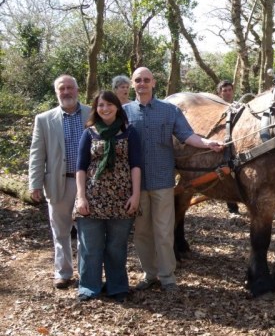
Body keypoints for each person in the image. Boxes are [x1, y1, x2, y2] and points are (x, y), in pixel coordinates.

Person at [124, 67, 224, 293]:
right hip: (136, 184)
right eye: (138, 80)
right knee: (141, 232)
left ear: (154, 83)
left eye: (146, 80)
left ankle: (167, 276)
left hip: (162, 180)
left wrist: (208, 143)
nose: (142, 84)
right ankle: (149, 274)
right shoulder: (124, 112)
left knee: (164, 230)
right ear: (132, 84)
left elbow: (187, 136)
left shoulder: (170, 111)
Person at [74, 91, 142, 303]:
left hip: (122, 199)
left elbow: (136, 166)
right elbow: (81, 167)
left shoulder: (129, 132)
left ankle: (117, 287)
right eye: (101, 105)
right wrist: (81, 197)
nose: (105, 108)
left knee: (116, 247)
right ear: (96, 108)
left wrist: (136, 195)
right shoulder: (90, 133)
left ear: (117, 107)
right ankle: (88, 287)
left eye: (109, 104)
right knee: (90, 247)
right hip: (92, 199)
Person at [29, 75, 91, 289]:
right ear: (57, 92)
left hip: (90, 184)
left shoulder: (93, 113)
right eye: (61, 89)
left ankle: (87, 273)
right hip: (58, 183)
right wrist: (35, 183)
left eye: (70, 88)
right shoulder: (44, 119)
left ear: (77, 89)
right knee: (61, 231)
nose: (66, 92)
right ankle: (63, 272)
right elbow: (37, 154)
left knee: (88, 231)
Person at [216, 80, 240, 216]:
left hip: (237, 143)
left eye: (229, 90)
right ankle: (232, 209)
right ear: (219, 93)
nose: (227, 92)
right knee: (226, 175)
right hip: (221, 144)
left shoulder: (238, 106)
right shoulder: (215, 108)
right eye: (224, 90)